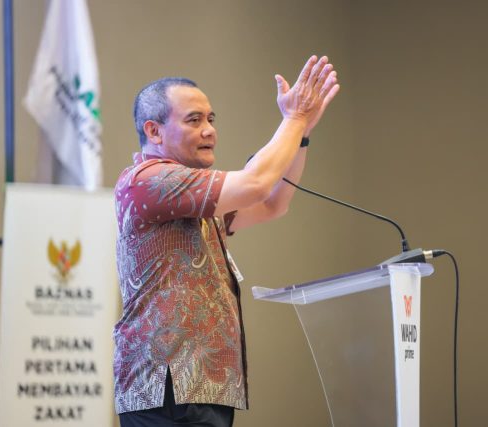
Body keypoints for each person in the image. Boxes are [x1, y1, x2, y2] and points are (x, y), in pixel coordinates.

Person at [113, 55, 340, 426]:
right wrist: (294, 119)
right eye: (194, 120)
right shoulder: (148, 181)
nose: (209, 131)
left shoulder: (191, 194)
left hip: (204, 387)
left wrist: (300, 135)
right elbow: (256, 183)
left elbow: (272, 203)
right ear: (154, 131)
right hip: (166, 389)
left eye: (211, 119)